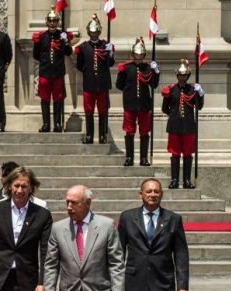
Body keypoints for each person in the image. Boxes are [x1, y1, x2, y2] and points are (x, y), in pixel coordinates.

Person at [116, 36, 160, 167]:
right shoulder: (127, 68)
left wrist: (156, 72)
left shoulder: (147, 68)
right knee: (129, 131)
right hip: (130, 103)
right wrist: (121, 74)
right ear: (133, 53)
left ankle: (144, 158)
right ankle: (129, 157)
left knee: (144, 131)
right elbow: (119, 85)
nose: (139, 56)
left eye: (141, 54)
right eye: (136, 54)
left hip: (144, 104)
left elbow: (154, 85)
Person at [161, 59, 204, 189]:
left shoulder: (192, 90)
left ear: (188, 76)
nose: (182, 78)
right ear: (177, 76)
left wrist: (200, 94)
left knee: (187, 154)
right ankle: (174, 180)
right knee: (175, 154)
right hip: (174, 126)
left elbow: (199, 106)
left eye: (184, 75)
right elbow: (164, 108)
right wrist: (174, 116)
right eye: (180, 75)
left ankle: (186, 181)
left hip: (188, 126)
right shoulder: (171, 90)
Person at [74, 14, 114, 144]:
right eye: (92, 32)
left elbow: (110, 63)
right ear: (88, 32)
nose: (94, 34)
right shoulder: (84, 47)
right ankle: (90, 135)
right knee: (89, 110)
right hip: (89, 83)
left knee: (102, 110)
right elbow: (79, 65)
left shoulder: (105, 46)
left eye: (96, 32)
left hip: (102, 84)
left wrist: (110, 53)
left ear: (99, 31)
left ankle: (102, 136)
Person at [32, 6, 73, 133]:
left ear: (58, 22)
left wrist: (66, 42)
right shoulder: (42, 37)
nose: (52, 23)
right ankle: (45, 124)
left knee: (58, 99)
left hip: (58, 73)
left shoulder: (62, 36)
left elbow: (68, 52)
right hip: (45, 72)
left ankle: (57, 123)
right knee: (45, 99)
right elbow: (36, 55)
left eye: (55, 21)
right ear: (47, 22)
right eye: (50, 21)